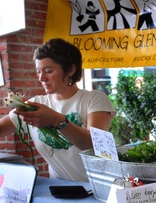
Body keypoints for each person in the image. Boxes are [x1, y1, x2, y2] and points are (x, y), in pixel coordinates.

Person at [0, 38, 115, 181]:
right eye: (38, 71)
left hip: (98, 189)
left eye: (48, 71)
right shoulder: (35, 104)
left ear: (71, 70)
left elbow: (97, 146)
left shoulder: (94, 99)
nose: (42, 78)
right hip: (61, 191)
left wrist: (57, 120)